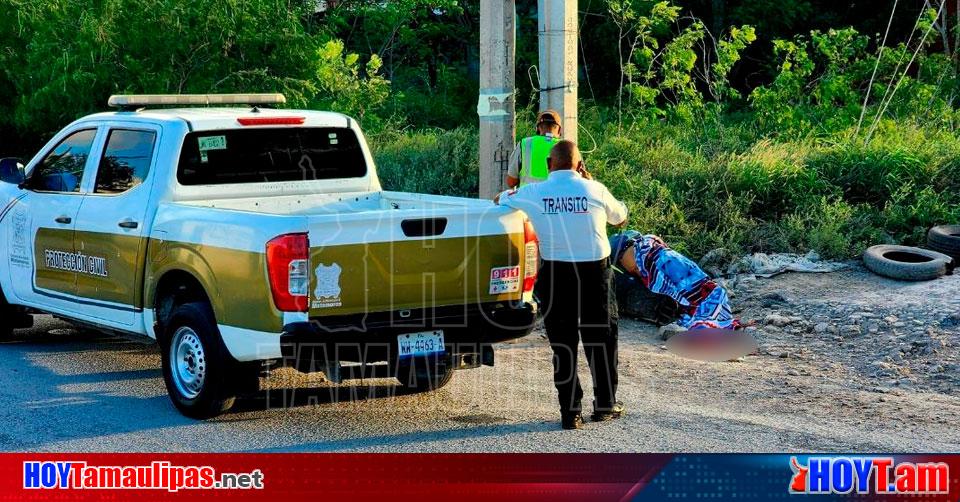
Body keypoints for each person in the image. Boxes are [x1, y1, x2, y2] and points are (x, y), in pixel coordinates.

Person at [495, 140, 628, 430]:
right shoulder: (595, 188)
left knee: (563, 343)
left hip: (556, 275)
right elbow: (620, 216)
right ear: (580, 165)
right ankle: (605, 405)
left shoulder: (533, 192)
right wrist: (589, 181)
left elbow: (501, 199)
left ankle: (571, 413)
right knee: (602, 339)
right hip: (596, 274)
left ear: (548, 165)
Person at [609, 231, 742, 333]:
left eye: (620, 260)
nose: (623, 266)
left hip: (708, 301)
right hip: (689, 306)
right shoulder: (647, 268)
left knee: (703, 327)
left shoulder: (664, 258)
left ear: (629, 249)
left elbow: (703, 290)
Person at [505, 110, 563, 188]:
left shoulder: (525, 144)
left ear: (538, 128)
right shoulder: (568, 147)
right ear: (559, 130)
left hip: (528, 198)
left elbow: (511, 182)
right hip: (555, 198)